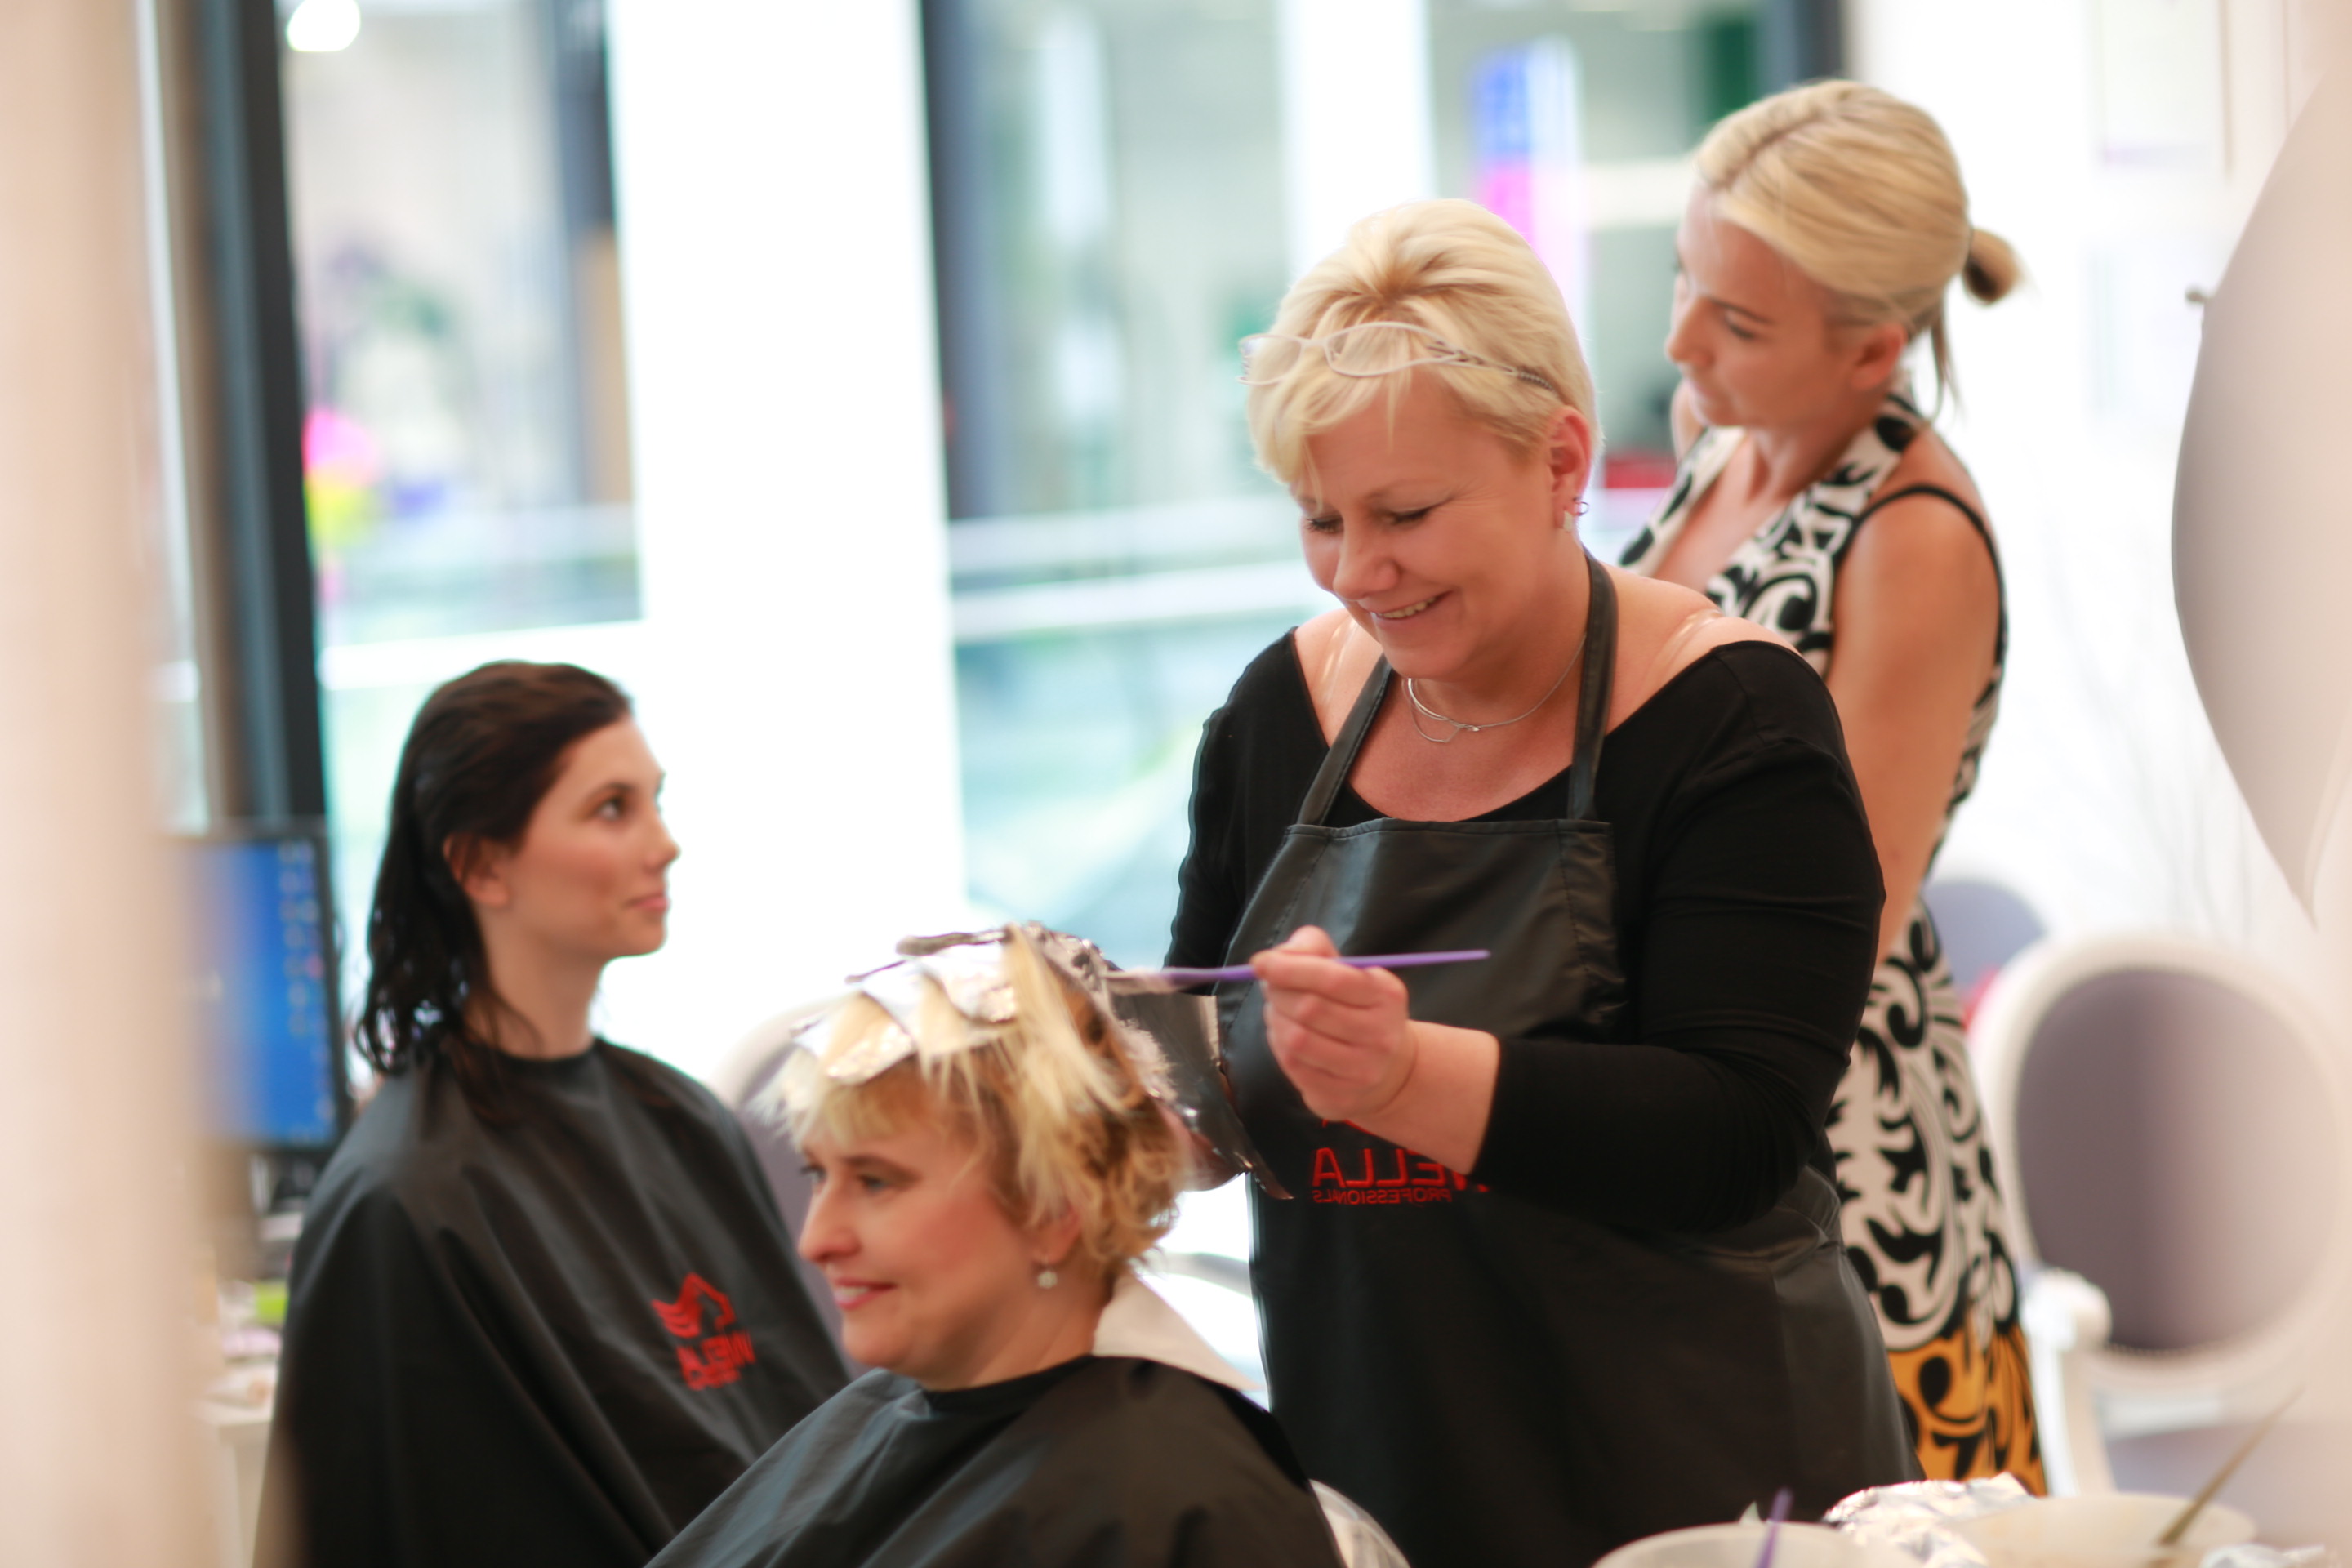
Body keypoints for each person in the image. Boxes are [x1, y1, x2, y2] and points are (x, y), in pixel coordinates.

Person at [1168, 198, 1918, 1568]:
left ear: (1561, 458)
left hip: (1703, 1480)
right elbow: (1210, 1079)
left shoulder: (1732, 722)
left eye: (1406, 513)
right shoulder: (1281, 713)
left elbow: (1737, 1133)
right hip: (1383, 1456)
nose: (1359, 573)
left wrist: (1405, 1077)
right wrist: (1079, 1076)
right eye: (1321, 518)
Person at [1617, 81, 2041, 1487]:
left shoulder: (1914, 536)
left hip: (1840, 1144)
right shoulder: (1723, 444)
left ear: (1872, 350)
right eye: (1686, 282)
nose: (1682, 342)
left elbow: (1836, 919)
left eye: (1737, 323)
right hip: (1685, 1068)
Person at [259, 662, 847, 1568]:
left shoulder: (686, 1119)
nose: (665, 845)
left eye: (655, 801)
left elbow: (815, 1447)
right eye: (613, 809)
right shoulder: (403, 1199)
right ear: (481, 865)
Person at [650, 924, 1396, 1568]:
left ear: (1053, 1204)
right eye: (819, 1175)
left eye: (877, 1182)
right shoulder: (882, 1417)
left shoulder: (1180, 1501)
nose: (817, 1240)